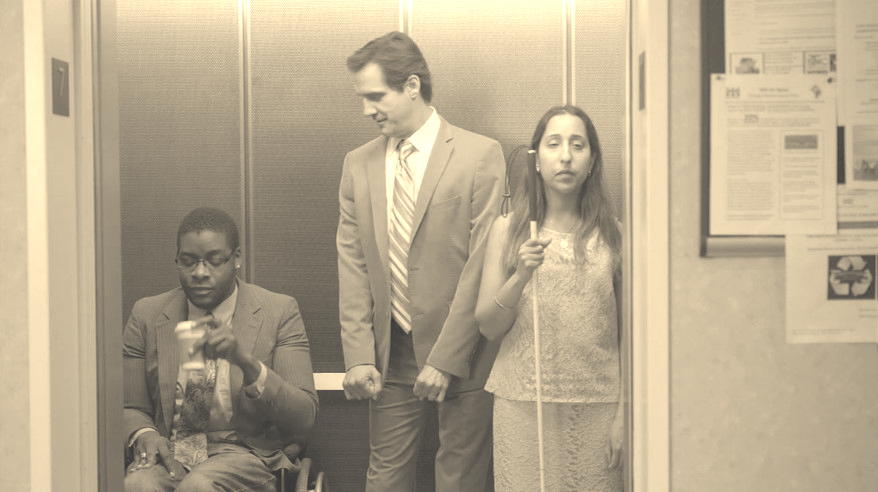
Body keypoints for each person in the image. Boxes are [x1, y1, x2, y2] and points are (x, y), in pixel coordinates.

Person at [336, 31, 506, 491]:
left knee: (459, 480)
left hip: (467, 352)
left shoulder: (480, 155)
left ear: (412, 85)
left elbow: (482, 265)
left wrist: (446, 359)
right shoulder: (357, 164)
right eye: (362, 98)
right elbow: (352, 264)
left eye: (376, 96)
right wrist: (358, 357)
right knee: (384, 479)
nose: (366, 109)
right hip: (390, 354)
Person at [475, 105, 624, 491]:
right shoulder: (508, 230)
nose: (566, 156)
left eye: (578, 145)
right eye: (554, 144)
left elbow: (633, 337)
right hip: (523, 404)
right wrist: (520, 275)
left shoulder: (615, 236)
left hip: (599, 405)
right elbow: (488, 326)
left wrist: (626, 415)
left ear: (592, 161)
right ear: (536, 160)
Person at [123, 207, 318, 492]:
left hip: (245, 454)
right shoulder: (147, 315)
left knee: (199, 486)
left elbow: (304, 416)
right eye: (188, 262)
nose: (200, 272)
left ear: (236, 258)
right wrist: (145, 434)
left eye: (214, 261)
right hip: (172, 452)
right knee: (137, 484)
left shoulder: (279, 311)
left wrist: (246, 362)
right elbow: (130, 406)